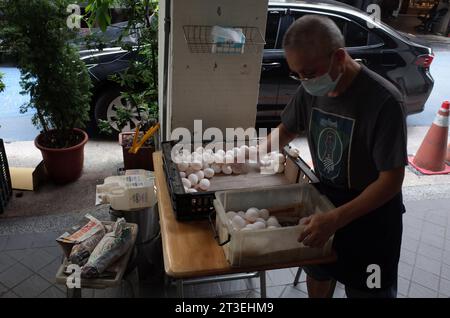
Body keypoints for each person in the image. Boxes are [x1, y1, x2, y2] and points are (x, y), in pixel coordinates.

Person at [263, 15, 407, 298]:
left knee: (370, 289)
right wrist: (251, 154)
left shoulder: (383, 102)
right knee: (319, 272)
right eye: (298, 75)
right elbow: (286, 130)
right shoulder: (310, 88)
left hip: (371, 220)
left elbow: (391, 180)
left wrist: (336, 219)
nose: (304, 81)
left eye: (309, 73)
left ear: (339, 57)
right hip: (324, 206)